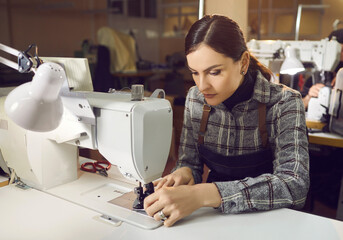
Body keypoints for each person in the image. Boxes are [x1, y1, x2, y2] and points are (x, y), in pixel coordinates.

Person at [144, 15, 309, 227]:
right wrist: (184, 172)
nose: (202, 85)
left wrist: (205, 193)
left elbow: (295, 185)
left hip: (271, 221)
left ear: (243, 62)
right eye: (195, 73)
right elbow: (190, 162)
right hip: (215, 218)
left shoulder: (284, 103)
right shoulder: (196, 98)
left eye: (214, 72)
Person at [301, 28, 343, 109]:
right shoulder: (315, 78)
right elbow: (301, 106)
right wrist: (309, 97)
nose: (341, 56)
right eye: (339, 51)